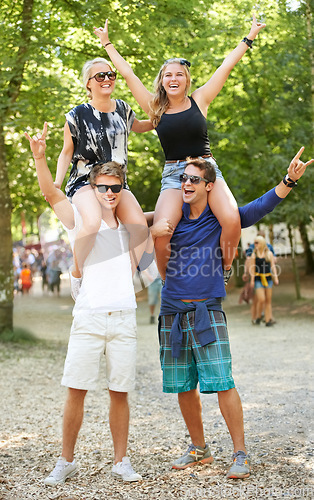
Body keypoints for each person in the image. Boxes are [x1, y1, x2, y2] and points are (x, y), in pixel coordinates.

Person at [24, 123, 172, 486]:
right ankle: (65, 460)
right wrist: (41, 158)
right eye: (102, 187)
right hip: (88, 316)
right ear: (93, 187)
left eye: (115, 188)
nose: (109, 193)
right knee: (76, 390)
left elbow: (153, 226)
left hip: (123, 316)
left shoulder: (128, 225)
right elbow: (50, 192)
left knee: (120, 393)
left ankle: (121, 461)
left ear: (122, 190)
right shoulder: (78, 219)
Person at [157, 148, 312, 479]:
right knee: (184, 385)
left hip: (206, 310)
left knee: (223, 382)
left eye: (194, 179)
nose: (186, 183)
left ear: (209, 185)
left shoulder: (220, 219)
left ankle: (240, 453)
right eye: (183, 178)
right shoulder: (171, 216)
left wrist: (288, 181)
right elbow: (131, 221)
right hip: (171, 311)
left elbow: (258, 208)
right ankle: (199, 449)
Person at [94, 15, 266, 280]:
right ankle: (169, 285)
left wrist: (250, 36)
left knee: (232, 220)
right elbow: (128, 75)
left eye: (179, 75)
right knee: (162, 233)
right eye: (168, 75)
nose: (173, 79)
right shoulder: (155, 108)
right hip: (175, 174)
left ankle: (226, 268)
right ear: (162, 81)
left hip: (207, 169)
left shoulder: (201, 99)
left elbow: (226, 66)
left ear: (186, 80)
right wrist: (107, 43)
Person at [54, 57, 154, 297]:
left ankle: (125, 279)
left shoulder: (122, 108)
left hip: (118, 182)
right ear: (88, 83)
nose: (107, 79)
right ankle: (77, 273)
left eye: (111, 75)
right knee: (92, 222)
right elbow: (67, 151)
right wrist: (56, 184)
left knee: (140, 228)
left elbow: (140, 125)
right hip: (85, 180)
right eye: (100, 76)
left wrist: (169, 117)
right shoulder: (77, 114)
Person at [248, 235, 278, 326]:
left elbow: (273, 266)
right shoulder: (254, 255)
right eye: (254, 243)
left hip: (268, 278)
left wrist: (276, 277)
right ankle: (258, 316)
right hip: (258, 279)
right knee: (261, 299)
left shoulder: (269, 254)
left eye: (257, 243)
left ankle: (268, 320)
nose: (255, 244)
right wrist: (252, 281)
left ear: (262, 243)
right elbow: (252, 269)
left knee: (268, 300)